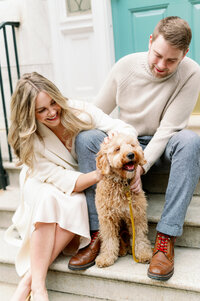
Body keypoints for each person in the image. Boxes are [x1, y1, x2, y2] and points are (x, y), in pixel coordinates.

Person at [68, 16, 200, 281]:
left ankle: (165, 238)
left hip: (163, 144)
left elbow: (169, 129)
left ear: (184, 54)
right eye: (157, 55)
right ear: (150, 41)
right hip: (125, 140)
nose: (162, 65)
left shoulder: (192, 72)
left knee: (191, 140)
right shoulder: (125, 67)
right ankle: (99, 234)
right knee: (85, 138)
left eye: (172, 60)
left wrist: (140, 165)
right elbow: (97, 113)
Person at [5, 72, 137, 301]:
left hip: (80, 177)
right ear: (30, 115)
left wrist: (118, 142)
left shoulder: (78, 111)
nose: (52, 112)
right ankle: (38, 287)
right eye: (42, 110)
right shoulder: (31, 141)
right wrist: (100, 173)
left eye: (53, 102)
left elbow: (122, 126)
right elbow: (64, 181)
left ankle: (29, 281)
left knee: (77, 204)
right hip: (42, 180)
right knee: (50, 200)